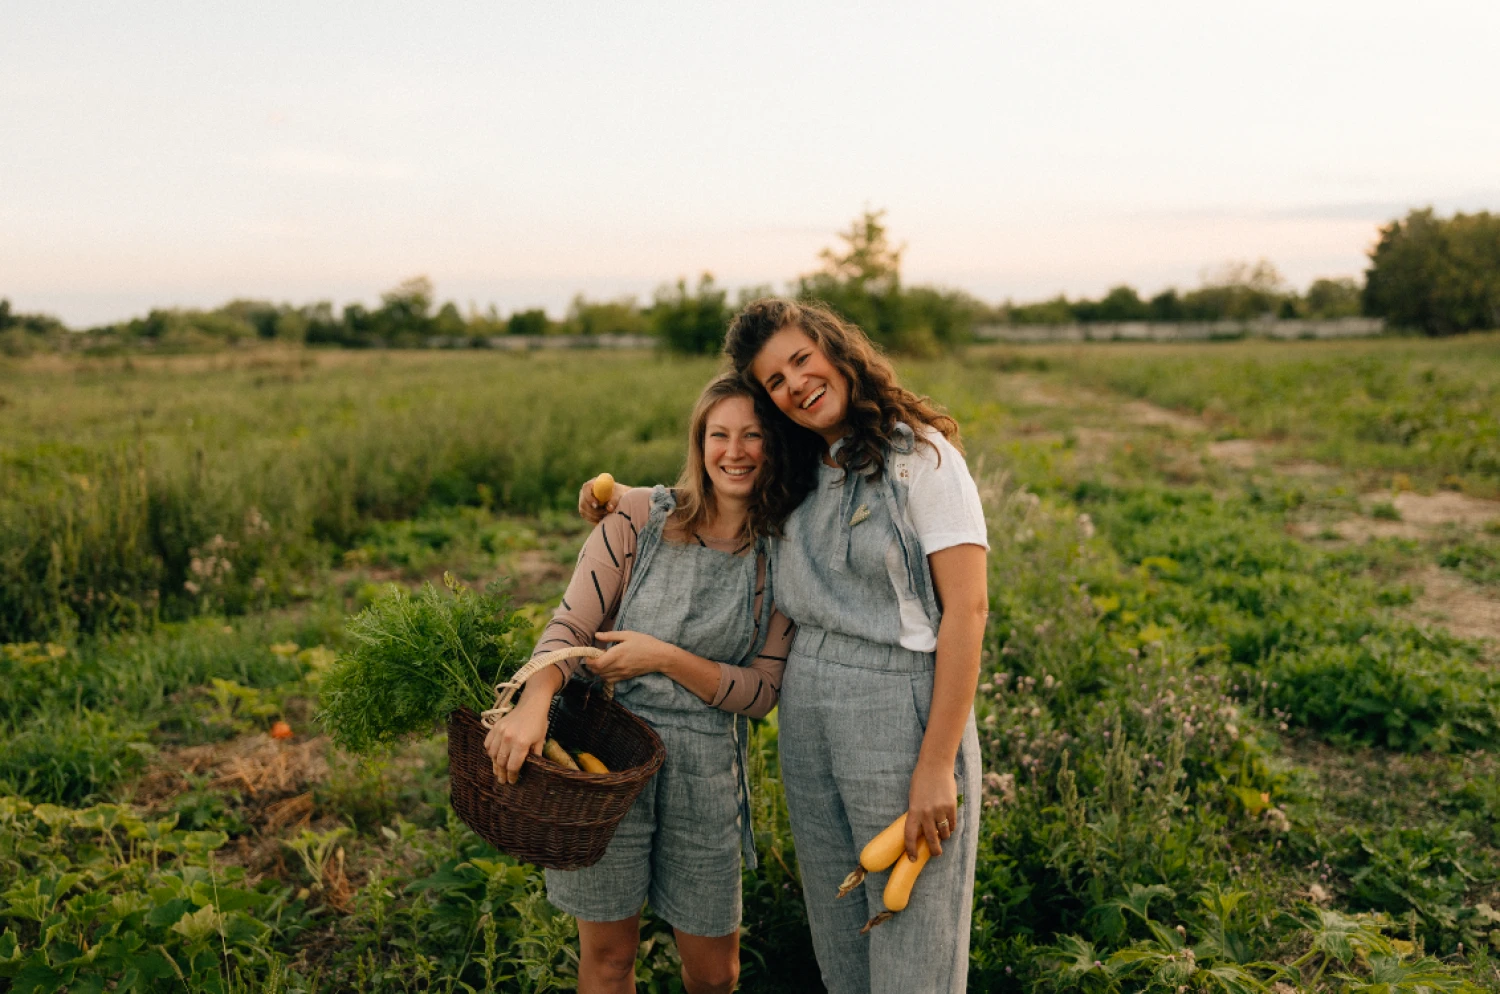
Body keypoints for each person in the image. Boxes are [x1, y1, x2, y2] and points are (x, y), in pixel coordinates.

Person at [586, 299, 987, 994]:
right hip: (807, 709)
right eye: (775, 380)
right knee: (843, 940)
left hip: (898, 703)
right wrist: (624, 498)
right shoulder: (802, 470)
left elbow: (968, 612)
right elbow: (713, 499)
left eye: (801, 360)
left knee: (912, 938)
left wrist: (936, 764)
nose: (795, 383)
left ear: (835, 349)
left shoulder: (920, 457)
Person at [486, 373, 807, 994]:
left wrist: (664, 657)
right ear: (699, 441)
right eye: (720, 434)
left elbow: (763, 692)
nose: (734, 451)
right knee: (609, 962)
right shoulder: (636, 516)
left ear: (777, 446)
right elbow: (571, 624)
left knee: (715, 975)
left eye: (754, 435)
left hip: (707, 772)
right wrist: (534, 700)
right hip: (602, 762)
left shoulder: (782, 554)